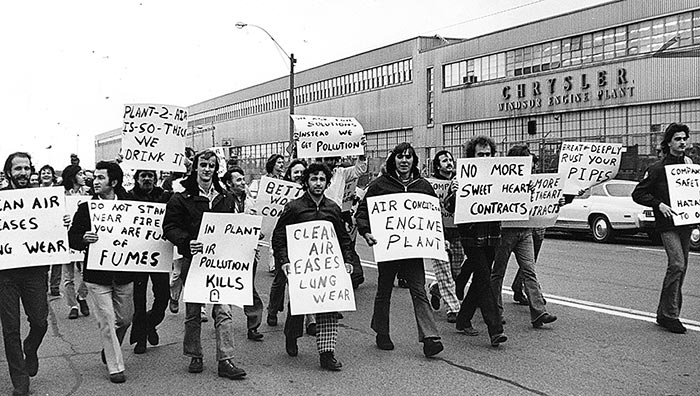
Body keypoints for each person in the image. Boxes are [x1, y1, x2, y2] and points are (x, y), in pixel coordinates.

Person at [163, 149, 247, 380]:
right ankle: (195, 354)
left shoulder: (226, 197)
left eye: (211, 165)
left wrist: (245, 247)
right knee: (193, 312)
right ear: (195, 168)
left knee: (224, 310)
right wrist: (187, 242)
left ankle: (225, 360)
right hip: (194, 261)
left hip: (221, 263)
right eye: (203, 165)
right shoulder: (181, 197)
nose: (207, 169)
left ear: (216, 169)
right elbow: (169, 227)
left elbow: (235, 227)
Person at [355, 142, 444, 357]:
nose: (404, 161)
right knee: (384, 291)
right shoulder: (379, 185)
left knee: (419, 290)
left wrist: (440, 238)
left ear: (414, 160)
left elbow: (434, 216)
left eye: (408, 157)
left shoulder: (423, 186)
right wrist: (366, 232)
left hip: (413, 251)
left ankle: (430, 337)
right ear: (393, 160)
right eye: (400, 157)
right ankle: (381, 331)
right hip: (389, 249)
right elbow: (362, 212)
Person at [272, 162, 355, 371]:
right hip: (300, 268)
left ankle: (327, 354)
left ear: (327, 183)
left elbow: (344, 238)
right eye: (313, 179)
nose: (318, 183)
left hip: (327, 269)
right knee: (299, 307)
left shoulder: (332, 208)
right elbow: (279, 236)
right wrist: (284, 261)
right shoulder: (294, 208)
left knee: (328, 308)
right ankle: (291, 336)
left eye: (322, 179)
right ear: (306, 182)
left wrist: (347, 260)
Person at [68, 161, 134, 383]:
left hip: (124, 273)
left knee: (125, 319)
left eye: (100, 178)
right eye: (94, 178)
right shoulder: (86, 208)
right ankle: (116, 367)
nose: (94, 182)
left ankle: (109, 348)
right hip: (97, 276)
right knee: (106, 320)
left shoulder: (130, 205)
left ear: (113, 182)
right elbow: (72, 236)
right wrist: (83, 239)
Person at [632, 122, 694, 334]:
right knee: (676, 264)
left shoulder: (688, 166)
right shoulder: (657, 169)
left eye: (684, 138)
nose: (682, 142)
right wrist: (659, 204)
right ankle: (670, 315)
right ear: (668, 143)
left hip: (685, 222)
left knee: (682, 267)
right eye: (677, 139)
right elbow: (638, 194)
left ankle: (665, 312)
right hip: (667, 225)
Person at [445, 136, 507, 346]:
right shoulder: (461, 176)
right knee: (485, 277)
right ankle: (495, 328)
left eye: (488, 154)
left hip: (491, 234)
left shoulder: (498, 176)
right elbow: (450, 206)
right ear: (472, 155)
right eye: (481, 154)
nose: (485, 157)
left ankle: (463, 319)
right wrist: (454, 192)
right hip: (471, 236)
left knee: (481, 279)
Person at [490, 145, 557, 329]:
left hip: (525, 230)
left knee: (529, 270)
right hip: (506, 231)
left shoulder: (533, 181)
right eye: (527, 158)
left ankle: (538, 312)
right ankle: (496, 312)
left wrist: (554, 201)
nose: (531, 162)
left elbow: (543, 201)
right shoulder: (501, 180)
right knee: (498, 273)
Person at [0, 152, 50, 396]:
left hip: (34, 271)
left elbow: (53, 232)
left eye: (26, 168)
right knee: (10, 329)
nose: (23, 173)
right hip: (5, 274)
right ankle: (20, 381)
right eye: (17, 169)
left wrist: (59, 221)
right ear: (9, 172)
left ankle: (30, 347)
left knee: (40, 321)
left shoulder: (44, 199)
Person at [265, 159, 317, 334]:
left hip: (304, 245)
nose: (299, 176)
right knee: (280, 280)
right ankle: (272, 310)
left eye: (303, 172)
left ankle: (310, 319)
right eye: (296, 172)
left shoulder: (311, 195)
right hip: (285, 245)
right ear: (290, 174)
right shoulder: (282, 191)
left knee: (305, 282)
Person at [127, 170, 171, 354]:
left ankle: (150, 323)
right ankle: (141, 339)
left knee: (163, 297)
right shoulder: (127, 197)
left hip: (159, 255)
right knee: (139, 299)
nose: (147, 179)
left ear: (156, 178)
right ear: (137, 179)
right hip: (136, 256)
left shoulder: (165, 196)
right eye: (143, 175)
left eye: (150, 175)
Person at [221, 166, 265, 342]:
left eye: (242, 179)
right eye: (238, 180)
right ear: (229, 184)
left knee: (247, 287)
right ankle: (222, 319)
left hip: (248, 252)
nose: (242, 182)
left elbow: (258, 220)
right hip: (228, 253)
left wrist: (258, 232)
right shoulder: (222, 201)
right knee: (226, 288)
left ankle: (253, 326)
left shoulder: (250, 200)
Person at [426, 150, 461, 323]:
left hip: (458, 232)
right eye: (444, 160)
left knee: (455, 271)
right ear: (438, 165)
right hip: (438, 232)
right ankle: (453, 309)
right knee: (445, 272)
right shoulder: (430, 184)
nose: (449, 163)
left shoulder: (460, 180)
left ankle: (435, 287)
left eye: (450, 159)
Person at [322, 156, 367, 289]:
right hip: (318, 216)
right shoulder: (315, 174)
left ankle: (350, 276)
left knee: (342, 246)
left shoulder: (340, 173)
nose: (330, 162)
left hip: (337, 216)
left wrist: (361, 154)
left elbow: (359, 170)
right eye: (327, 159)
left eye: (332, 160)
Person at [61, 165, 91, 319]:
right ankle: (73, 305)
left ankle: (82, 296)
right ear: (72, 177)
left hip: (83, 237)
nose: (83, 176)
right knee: (68, 276)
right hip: (66, 238)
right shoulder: (60, 194)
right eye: (80, 173)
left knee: (87, 274)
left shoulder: (89, 193)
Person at [37, 164, 62, 297]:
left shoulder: (59, 191)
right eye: (43, 173)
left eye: (48, 173)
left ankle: (55, 287)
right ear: (40, 176)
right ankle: (43, 285)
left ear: (53, 176)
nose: (46, 175)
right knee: (42, 259)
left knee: (57, 259)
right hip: (40, 230)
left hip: (56, 228)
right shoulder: (33, 191)